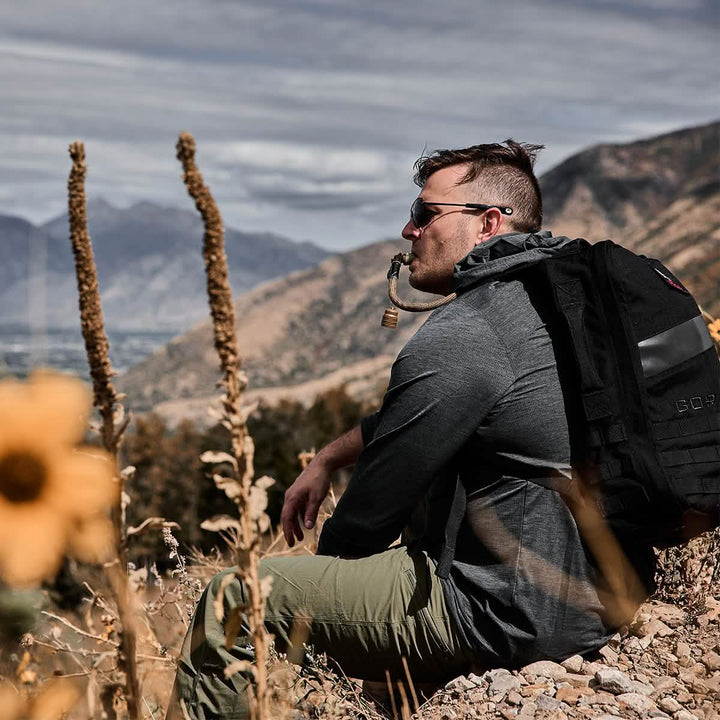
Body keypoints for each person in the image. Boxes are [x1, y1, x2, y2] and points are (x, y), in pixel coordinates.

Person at [169, 140, 656, 719]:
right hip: (603, 593)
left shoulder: (471, 331)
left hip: (508, 611)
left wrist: (326, 581)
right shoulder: (558, 306)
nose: (408, 230)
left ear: (488, 223)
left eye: (425, 213)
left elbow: (373, 511)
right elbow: (424, 415)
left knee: (234, 600)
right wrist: (329, 456)